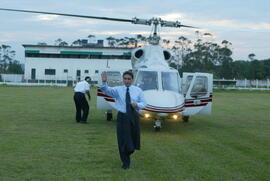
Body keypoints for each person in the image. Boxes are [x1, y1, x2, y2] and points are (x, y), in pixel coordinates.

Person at [100, 71, 147, 169]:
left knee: (132, 140)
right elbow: (106, 90)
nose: (127, 81)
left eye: (129, 79)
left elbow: (144, 103)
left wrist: (137, 104)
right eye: (125, 79)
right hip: (122, 117)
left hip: (134, 116)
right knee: (122, 140)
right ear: (123, 79)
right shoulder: (118, 90)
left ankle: (129, 151)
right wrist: (104, 82)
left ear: (132, 79)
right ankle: (125, 161)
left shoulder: (138, 90)